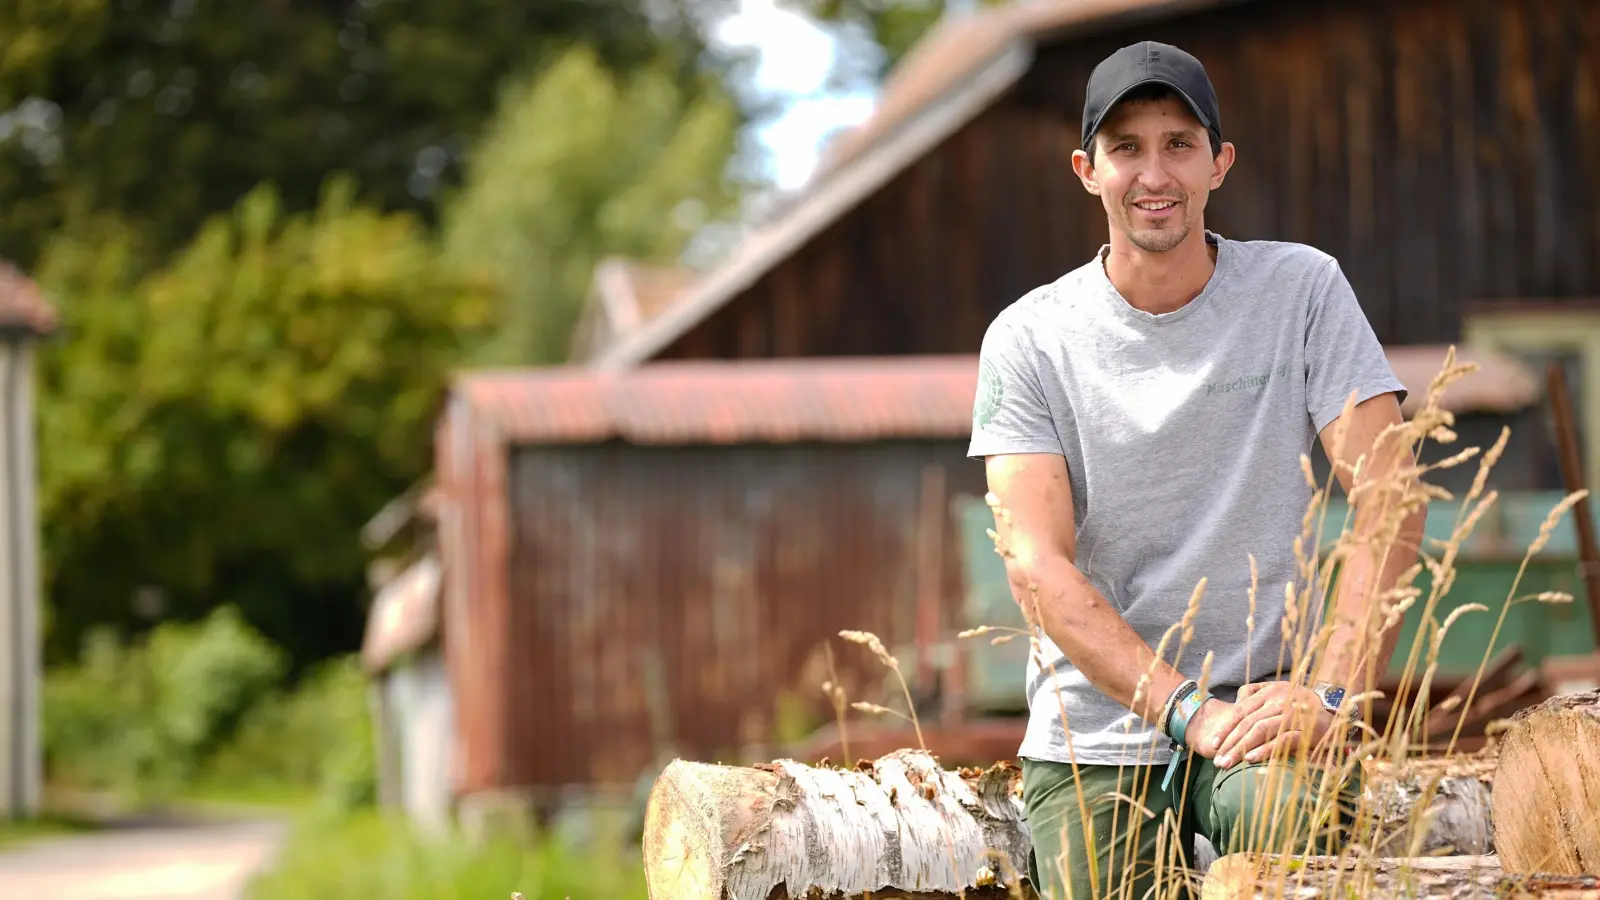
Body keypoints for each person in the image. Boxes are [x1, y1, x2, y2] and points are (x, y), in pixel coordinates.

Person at [966, 41, 1427, 900]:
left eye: (1179, 143)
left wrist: (1328, 696)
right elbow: (1035, 565)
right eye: (1127, 148)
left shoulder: (1300, 290)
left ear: (1219, 162)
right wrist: (1185, 710)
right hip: (1099, 732)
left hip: (1271, 713)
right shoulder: (1028, 339)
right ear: (1086, 170)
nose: (1155, 174)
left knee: (1287, 829)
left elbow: (1391, 502)